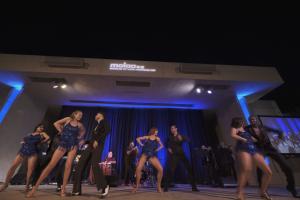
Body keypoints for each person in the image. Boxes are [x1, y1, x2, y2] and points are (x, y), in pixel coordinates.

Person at [26, 110, 85, 197]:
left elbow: (82, 133)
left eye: (82, 115)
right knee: (51, 165)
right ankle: (34, 188)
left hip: (73, 145)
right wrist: (61, 131)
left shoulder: (80, 125)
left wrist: (80, 140)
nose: (80, 116)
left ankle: (63, 190)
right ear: (74, 114)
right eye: (79, 115)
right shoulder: (68, 119)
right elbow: (56, 123)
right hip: (63, 144)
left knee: (68, 166)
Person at [245, 115, 299, 198]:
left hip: (269, 147)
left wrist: (280, 134)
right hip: (259, 149)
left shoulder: (262, 127)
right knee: (260, 170)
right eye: (251, 120)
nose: (253, 121)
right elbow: (240, 133)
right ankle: (263, 190)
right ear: (249, 121)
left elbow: (276, 130)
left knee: (286, 166)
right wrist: (249, 137)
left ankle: (291, 187)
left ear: (256, 120)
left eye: (254, 119)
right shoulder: (247, 129)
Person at [231, 117, 272, 200]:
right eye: (241, 121)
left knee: (268, 172)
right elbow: (233, 135)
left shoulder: (245, 129)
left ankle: (262, 192)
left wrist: (259, 139)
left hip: (253, 149)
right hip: (243, 148)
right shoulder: (235, 128)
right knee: (247, 169)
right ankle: (239, 192)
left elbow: (254, 139)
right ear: (238, 121)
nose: (243, 122)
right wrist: (243, 139)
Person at [0, 124, 49, 192]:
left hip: (33, 152)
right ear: (36, 127)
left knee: (30, 170)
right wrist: (23, 142)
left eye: (42, 128)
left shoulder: (42, 134)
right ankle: (5, 184)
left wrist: (42, 141)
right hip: (23, 150)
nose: (41, 128)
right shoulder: (29, 134)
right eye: (40, 127)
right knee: (13, 166)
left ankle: (27, 186)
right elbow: (24, 139)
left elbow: (48, 138)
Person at [72, 112, 111, 198]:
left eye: (96, 114)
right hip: (90, 145)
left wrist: (98, 140)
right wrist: (85, 142)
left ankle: (104, 186)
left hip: (98, 145)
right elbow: (93, 138)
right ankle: (76, 190)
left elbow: (107, 131)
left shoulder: (104, 122)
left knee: (94, 165)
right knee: (80, 164)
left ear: (101, 115)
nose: (95, 115)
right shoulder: (96, 125)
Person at [164, 125, 198, 191]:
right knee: (171, 170)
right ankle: (166, 187)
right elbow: (166, 143)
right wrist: (168, 148)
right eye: (171, 129)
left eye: (173, 128)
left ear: (176, 129)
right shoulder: (170, 137)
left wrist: (182, 139)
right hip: (174, 155)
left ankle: (194, 187)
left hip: (181, 154)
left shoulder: (180, 135)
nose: (172, 129)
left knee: (189, 168)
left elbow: (188, 140)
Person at [133, 127, 164, 193]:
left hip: (152, 155)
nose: (157, 132)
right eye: (156, 131)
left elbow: (162, 146)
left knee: (160, 169)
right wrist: (141, 144)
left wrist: (156, 150)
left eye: (157, 131)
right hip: (145, 154)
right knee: (138, 169)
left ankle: (158, 186)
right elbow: (137, 139)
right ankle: (137, 186)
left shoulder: (157, 139)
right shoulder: (147, 137)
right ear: (153, 131)